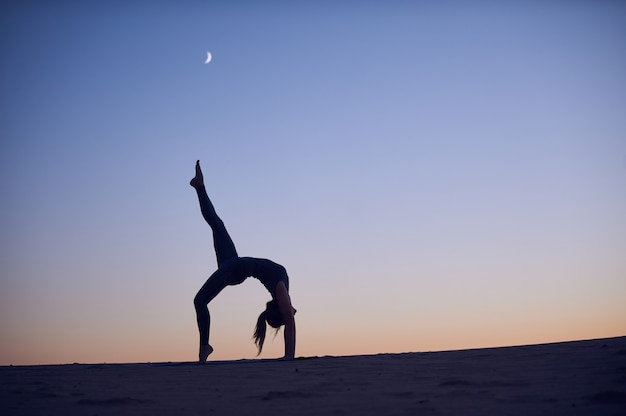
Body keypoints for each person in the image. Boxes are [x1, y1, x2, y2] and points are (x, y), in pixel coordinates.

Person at [190, 160, 296, 363]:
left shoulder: (281, 291)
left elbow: (290, 324)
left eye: (288, 312)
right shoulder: (282, 290)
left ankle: (204, 347)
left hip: (236, 269)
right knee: (217, 224)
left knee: (199, 301)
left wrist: (289, 355)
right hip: (233, 263)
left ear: (280, 309)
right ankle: (199, 186)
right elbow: (289, 319)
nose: (294, 312)